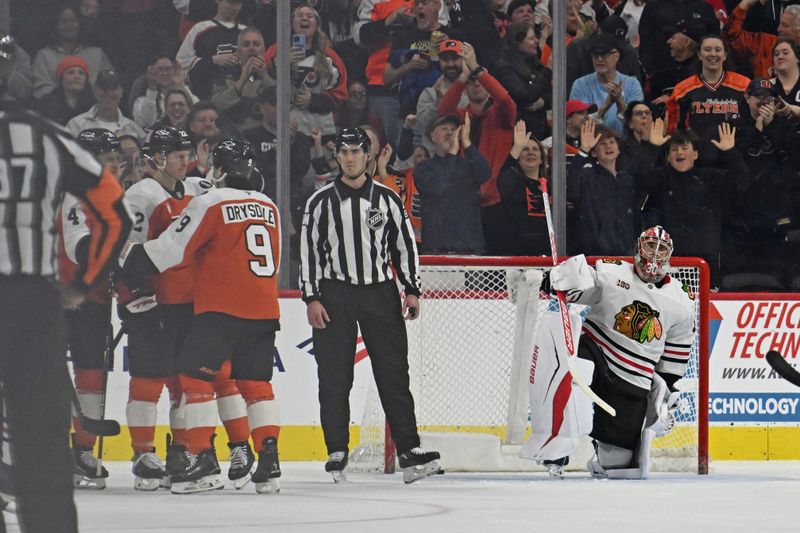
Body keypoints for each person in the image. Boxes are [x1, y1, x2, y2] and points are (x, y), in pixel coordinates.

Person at [0, 35, 130, 532]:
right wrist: (86, 282)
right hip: (33, 301)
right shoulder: (49, 135)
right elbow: (113, 214)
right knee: (41, 440)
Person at [119, 139, 283, 495]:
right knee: (255, 385)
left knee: (194, 379)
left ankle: (202, 460)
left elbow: (169, 249)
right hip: (264, 308)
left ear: (219, 169)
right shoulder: (268, 204)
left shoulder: (209, 201)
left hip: (217, 308)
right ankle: (267, 459)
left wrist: (125, 266)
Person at [299, 127, 442, 484]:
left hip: (379, 292)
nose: (349, 158)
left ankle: (409, 450)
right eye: (344, 152)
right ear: (337, 157)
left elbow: (405, 246)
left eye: (356, 151)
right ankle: (336, 450)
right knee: (334, 375)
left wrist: (412, 289)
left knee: (393, 373)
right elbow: (308, 253)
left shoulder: (388, 199)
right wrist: (312, 296)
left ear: (369, 156)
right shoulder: (319, 202)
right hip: (334, 295)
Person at [534, 226, 696, 479]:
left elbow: (678, 346)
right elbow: (580, 285)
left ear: (669, 254)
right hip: (596, 349)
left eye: (661, 248)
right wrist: (558, 281)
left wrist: (667, 388)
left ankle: (604, 451)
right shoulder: (611, 271)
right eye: (650, 245)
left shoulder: (682, 299)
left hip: (635, 375)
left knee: (618, 463)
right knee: (573, 374)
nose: (654, 254)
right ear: (637, 248)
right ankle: (557, 441)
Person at [59, 129, 124, 491]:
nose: (112, 161)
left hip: (94, 299)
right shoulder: (71, 192)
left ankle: (83, 451)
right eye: (106, 154)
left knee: (90, 374)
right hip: (61, 297)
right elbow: (75, 245)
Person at [666, 35, 750, 165]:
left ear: (725, 55)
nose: (713, 54)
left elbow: (751, 124)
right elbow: (675, 131)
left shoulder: (744, 86)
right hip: (697, 164)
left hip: (736, 161)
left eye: (717, 49)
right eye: (707, 49)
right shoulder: (682, 90)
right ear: (699, 55)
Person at [414, 113, 490, 253]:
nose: (450, 132)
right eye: (444, 128)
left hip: (470, 248)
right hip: (437, 249)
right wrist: (452, 154)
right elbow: (438, 186)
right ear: (433, 136)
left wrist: (467, 143)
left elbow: (485, 174)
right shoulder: (423, 168)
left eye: (453, 129)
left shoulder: (467, 165)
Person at [31, 4, 114, 98]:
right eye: (63, 21)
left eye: (73, 21)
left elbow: (111, 85)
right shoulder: (43, 56)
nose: (69, 25)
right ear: (55, 26)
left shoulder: (97, 54)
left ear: (80, 24)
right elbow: (41, 91)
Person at [570, 33, 644, 133]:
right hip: (590, 143)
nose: (599, 59)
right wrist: (605, 107)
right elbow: (578, 124)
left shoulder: (632, 84)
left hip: (626, 144)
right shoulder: (580, 85)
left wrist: (620, 103)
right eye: (596, 55)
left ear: (617, 56)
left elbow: (639, 125)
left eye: (605, 54)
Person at [497, 120, 550, 255]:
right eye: (525, 149)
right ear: (518, 159)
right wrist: (516, 147)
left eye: (535, 149)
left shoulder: (553, 187)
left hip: (549, 256)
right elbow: (504, 178)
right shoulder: (514, 184)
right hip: (520, 257)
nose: (530, 153)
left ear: (541, 159)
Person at [724, 1, 800, 79]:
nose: (778, 29)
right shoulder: (764, 42)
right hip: (763, 89)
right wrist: (745, 5)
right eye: (780, 24)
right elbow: (731, 36)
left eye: (785, 26)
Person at [66, 69, 146, 142]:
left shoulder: (134, 129)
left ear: (121, 91)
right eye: (104, 88)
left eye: (113, 88)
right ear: (94, 91)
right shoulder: (76, 125)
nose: (109, 93)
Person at [35, 55, 96, 126]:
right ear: (61, 79)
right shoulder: (45, 103)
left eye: (81, 73)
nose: (77, 76)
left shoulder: (95, 106)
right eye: (71, 72)